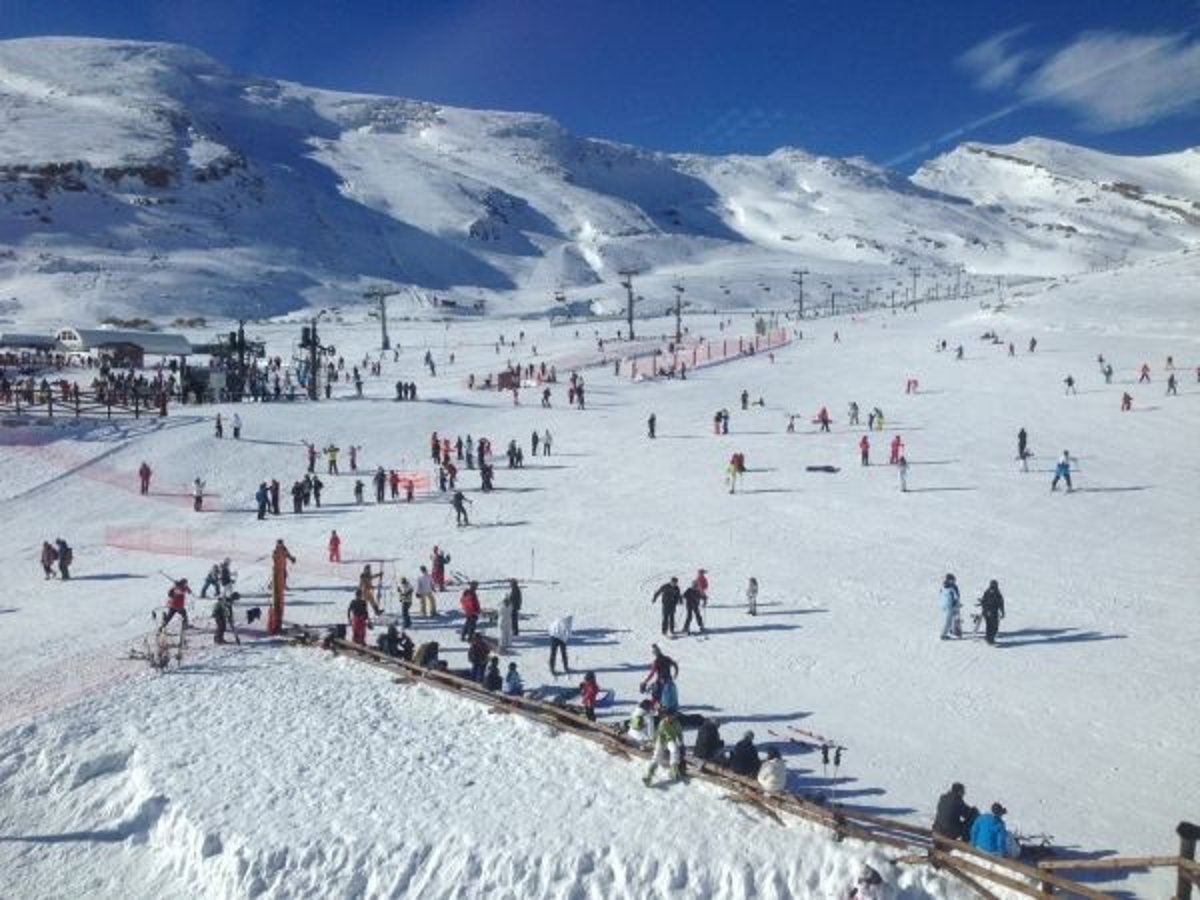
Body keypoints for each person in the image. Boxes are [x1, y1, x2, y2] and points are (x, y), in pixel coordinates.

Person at [642, 710, 684, 785]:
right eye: (667, 716)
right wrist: (653, 741)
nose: (668, 718)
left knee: (674, 750)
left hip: (670, 740)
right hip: (661, 740)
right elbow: (663, 734)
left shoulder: (676, 723)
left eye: (670, 716)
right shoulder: (662, 723)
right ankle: (649, 775)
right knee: (657, 755)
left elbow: (679, 733)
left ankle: (673, 768)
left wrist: (681, 741)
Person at [978, 579, 1005, 645]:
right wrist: (1002, 612)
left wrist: (1002, 611)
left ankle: (989, 638)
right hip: (991, 612)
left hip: (989, 612)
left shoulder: (989, 592)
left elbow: (1000, 603)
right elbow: (1000, 603)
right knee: (993, 626)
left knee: (990, 626)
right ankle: (990, 639)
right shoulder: (996, 593)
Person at [939, 573, 961, 640]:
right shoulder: (953, 588)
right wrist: (956, 604)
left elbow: (941, 594)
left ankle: (953, 630)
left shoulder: (943, 587)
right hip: (950, 606)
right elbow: (956, 597)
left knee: (952, 618)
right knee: (948, 621)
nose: (954, 581)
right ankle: (943, 635)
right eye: (953, 580)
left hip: (944, 605)